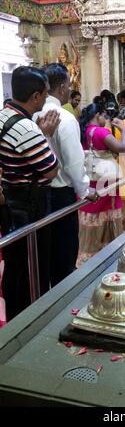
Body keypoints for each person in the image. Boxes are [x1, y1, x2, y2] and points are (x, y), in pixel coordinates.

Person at [0, 66, 59, 320]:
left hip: (10, 198)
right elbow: (51, 170)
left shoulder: (3, 116)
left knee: (15, 263)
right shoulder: (27, 129)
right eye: (45, 95)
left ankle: (16, 312)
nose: (46, 100)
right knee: (31, 264)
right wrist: (45, 135)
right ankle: (29, 316)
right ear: (35, 96)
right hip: (29, 204)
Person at [35, 63, 95, 286]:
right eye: (69, 85)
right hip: (61, 194)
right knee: (64, 252)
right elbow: (73, 163)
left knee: (45, 254)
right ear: (61, 87)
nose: (69, 90)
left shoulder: (30, 115)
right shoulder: (64, 117)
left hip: (37, 194)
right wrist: (84, 190)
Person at [77, 103, 125, 265]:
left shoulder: (84, 131)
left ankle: (88, 258)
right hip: (106, 184)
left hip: (89, 182)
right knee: (107, 218)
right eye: (104, 116)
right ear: (97, 115)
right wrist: (123, 130)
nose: (105, 120)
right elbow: (121, 147)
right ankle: (109, 257)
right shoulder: (100, 132)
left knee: (92, 220)